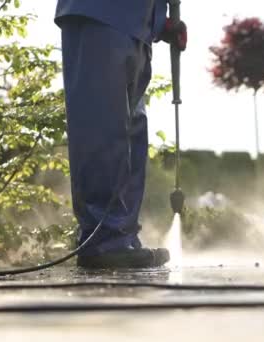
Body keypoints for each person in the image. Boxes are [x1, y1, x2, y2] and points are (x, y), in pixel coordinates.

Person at [55, 0, 187, 268]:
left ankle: (122, 239)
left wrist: (161, 23)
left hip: (137, 25)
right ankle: (104, 242)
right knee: (102, 128)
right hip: (101, 13)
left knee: (130, 134)